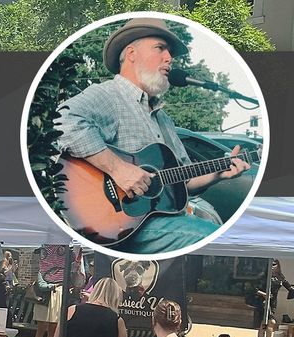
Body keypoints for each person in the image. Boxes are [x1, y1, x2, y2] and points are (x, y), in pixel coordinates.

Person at [55, 17, 250, 255]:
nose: (169, 58)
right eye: (160, 48)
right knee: (211, 237)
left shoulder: (163, 119)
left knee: (217, 232)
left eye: (170, 53)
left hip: (156, 221)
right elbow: (62, 122)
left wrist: (218, 173)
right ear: (131, 53)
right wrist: (119, 169)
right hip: (119, 222)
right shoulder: (109, 95)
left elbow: (183, 181)